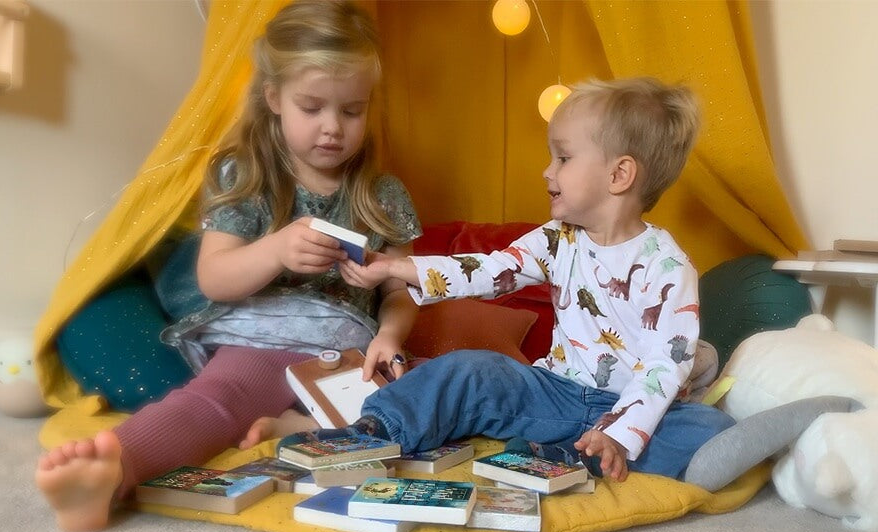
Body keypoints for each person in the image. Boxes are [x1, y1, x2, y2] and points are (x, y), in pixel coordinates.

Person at [35, 0, 422, 532]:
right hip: (265, 339)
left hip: (351, 351)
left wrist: (392, 336)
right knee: (216, 404)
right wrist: (276, 251)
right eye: (312, 107)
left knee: (425, 404)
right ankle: (112, 470)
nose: (333, 128)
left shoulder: (382, 194)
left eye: (351, 111)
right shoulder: (246, 176)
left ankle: (295, 428)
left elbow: (402, 290)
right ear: (274, 99)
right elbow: (214, 277)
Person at [302, 76, 735, 484]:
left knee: (708, 428)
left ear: (619, 175)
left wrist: (620, 434)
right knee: (469, 369)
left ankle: (568, 455)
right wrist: (395, 267)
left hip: (625, 409)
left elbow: (665, 362)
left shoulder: (667, 266)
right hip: (553, 393)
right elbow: (486, 271)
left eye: (563, 158)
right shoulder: (557, 239)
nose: (548, 171)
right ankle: (374, 432)